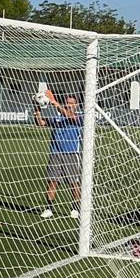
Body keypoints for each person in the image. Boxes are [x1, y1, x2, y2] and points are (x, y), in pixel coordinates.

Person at [33, 90, 82, 219]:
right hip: (55, 153)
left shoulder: (80, 117)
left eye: (72, 103)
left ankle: (75, 208)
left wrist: (54, 102)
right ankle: (49, 208)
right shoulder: (57, 117)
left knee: (74, 183)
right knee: (52, 181)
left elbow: (70, 117)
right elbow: (40, 123)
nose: (69, 104)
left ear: (76, 105)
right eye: (67, 102)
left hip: (71, 154)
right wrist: (37, 110)